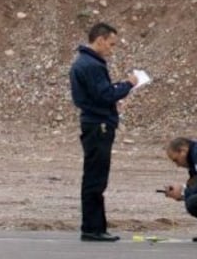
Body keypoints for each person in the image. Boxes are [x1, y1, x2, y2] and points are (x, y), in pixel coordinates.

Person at [69, 22, 138, 242]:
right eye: (111, 44)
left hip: (94, 123)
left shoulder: (86, 63)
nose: (112, 49)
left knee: (95, 177)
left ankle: (95, 227)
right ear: (99, 40)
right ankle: (92, 228)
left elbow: (99, 93)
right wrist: (127, 85)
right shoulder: (91, 65)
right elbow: (105, 95)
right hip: (98, 125)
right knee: (95, 179)